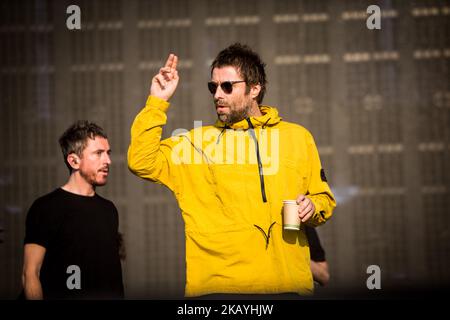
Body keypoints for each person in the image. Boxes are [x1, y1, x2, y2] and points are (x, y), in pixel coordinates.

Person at [128, 43, 336, 297]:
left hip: (288, 287)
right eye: (212, 87)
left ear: (255, 89)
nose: (217, 94)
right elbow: (141, 161)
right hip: (220, 290)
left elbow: (323, 198)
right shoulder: (196, 143)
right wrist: (156, 103)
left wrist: (312, 206)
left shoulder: (298, 137)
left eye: (227, 86)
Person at [22, 121, 124, 300]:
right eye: (98, 153)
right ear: (74, 161)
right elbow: (30, 274)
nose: (108, 160)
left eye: (108, 153)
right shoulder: (46, 208)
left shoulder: (109, 210)